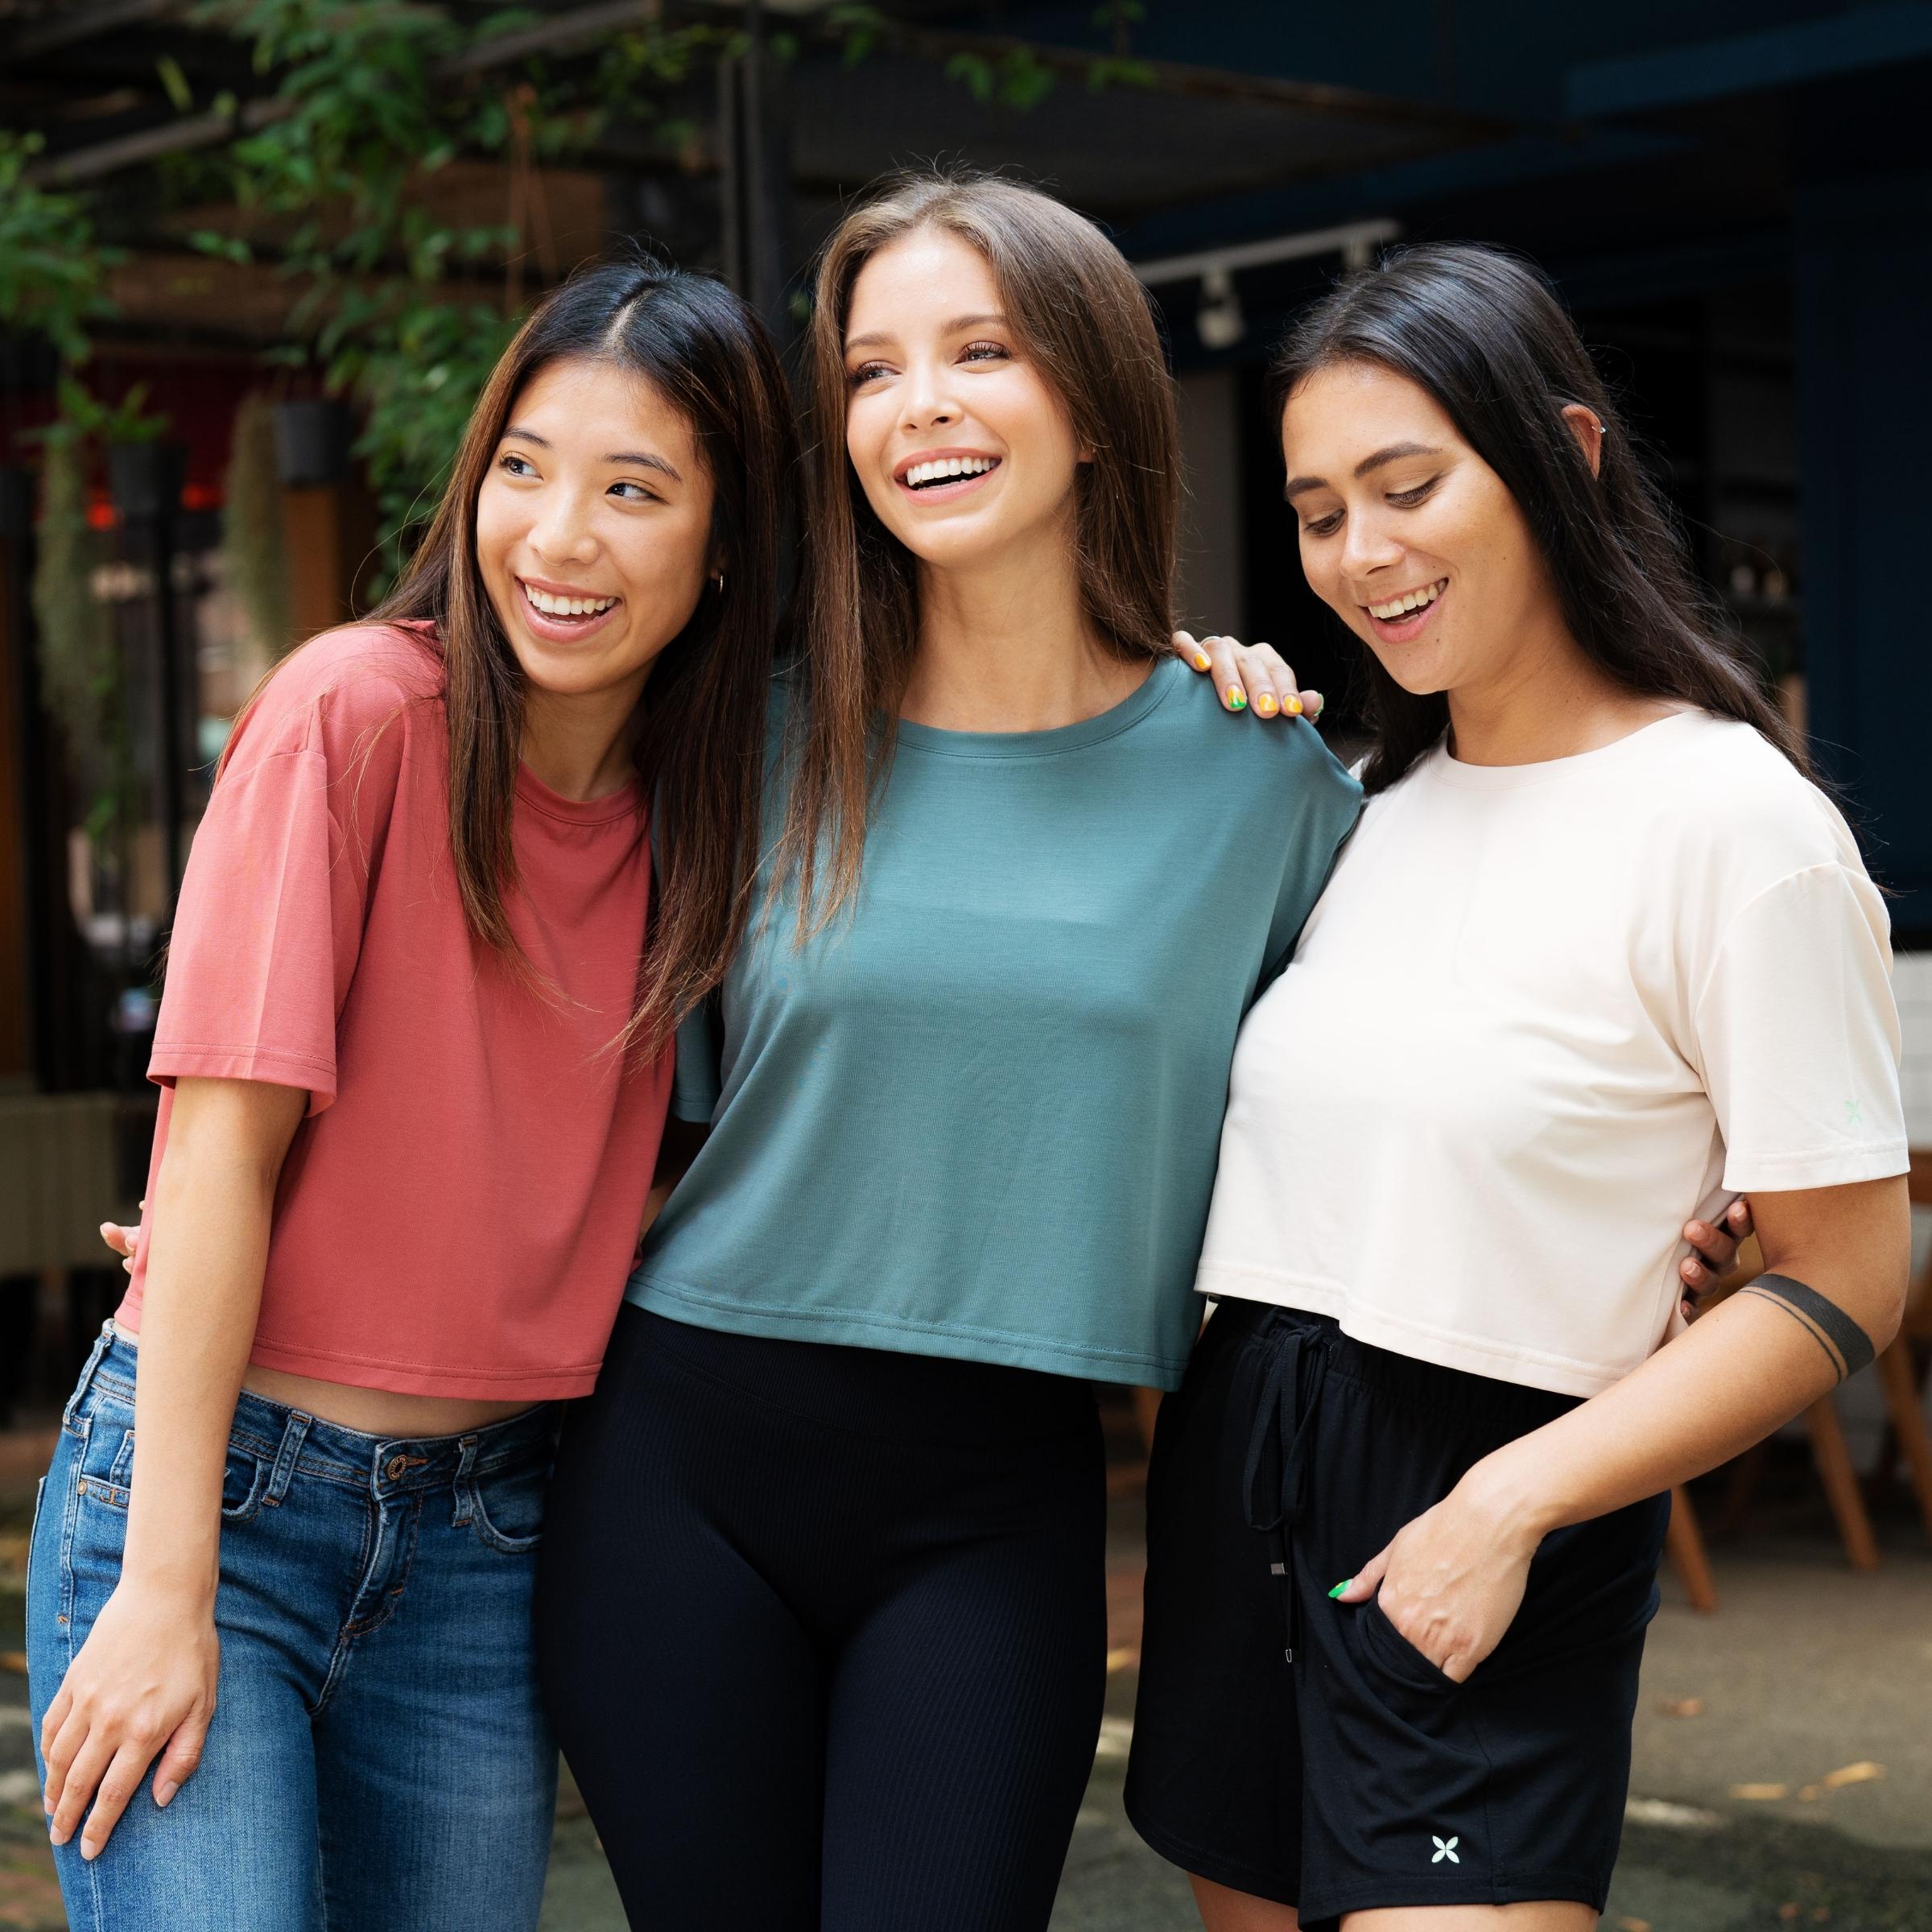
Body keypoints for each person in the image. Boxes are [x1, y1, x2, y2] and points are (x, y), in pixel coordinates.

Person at [530, 169, 1367, 1932]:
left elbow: (1380, 1120)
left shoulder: (1264, 782)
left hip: (1002, 1496)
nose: (918, 408)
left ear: (1091, 391)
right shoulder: (735, 743)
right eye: (871, 369)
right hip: (680, 1458)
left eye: (978, 351)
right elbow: (522, 1022)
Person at [1126, 242, 1911, 1932]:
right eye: (1322, 510)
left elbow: (1852, 1276)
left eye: (1410, 487)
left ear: (1563, 455)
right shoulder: (1350, 809)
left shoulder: (1737, 826)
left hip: (1490, 1478)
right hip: (1243, 1453)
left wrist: (1512, 1502)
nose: (1362, 554)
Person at [27, 258, 795, 1930]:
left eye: (633, 489)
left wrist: (1192, 668)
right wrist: (167, 1592)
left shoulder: (725, 799)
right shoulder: (357, 711)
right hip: (217, 1508)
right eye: (523, 466)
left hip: (488, 1542)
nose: (558, 537)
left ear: (729, 541)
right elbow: (218, 1157)